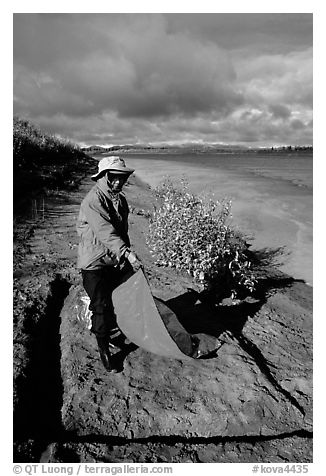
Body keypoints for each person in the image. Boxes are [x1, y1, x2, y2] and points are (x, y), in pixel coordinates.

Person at [76, 156, 142, 373]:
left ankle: (101, 322)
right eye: (114, 177)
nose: (118, 182)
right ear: (104, 176)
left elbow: (122, 232)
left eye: (122, 177)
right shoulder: (92, 200)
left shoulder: (120, 201)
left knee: (117, 299)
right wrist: (127, 254)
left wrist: (126, 256)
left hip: (113, 260)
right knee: (102, 307)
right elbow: (106, 232)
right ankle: (104, 351)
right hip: (93, 262)